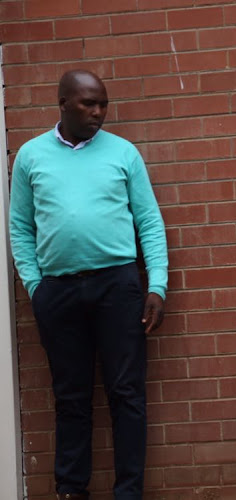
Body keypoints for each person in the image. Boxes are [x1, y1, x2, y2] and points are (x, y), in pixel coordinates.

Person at [9, 70, 168, 500]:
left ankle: (129, 492)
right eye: (88, 104)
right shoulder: (30, 156)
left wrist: (157, 286)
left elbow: (149, 222)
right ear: (62, 103)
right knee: (71, 396)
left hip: (117, 287)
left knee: (127, 393)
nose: (98, 112)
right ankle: (71, 489)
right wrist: (35, 287)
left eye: (102, 103)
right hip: (57, 292)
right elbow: (20, 227)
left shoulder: (123, 153)